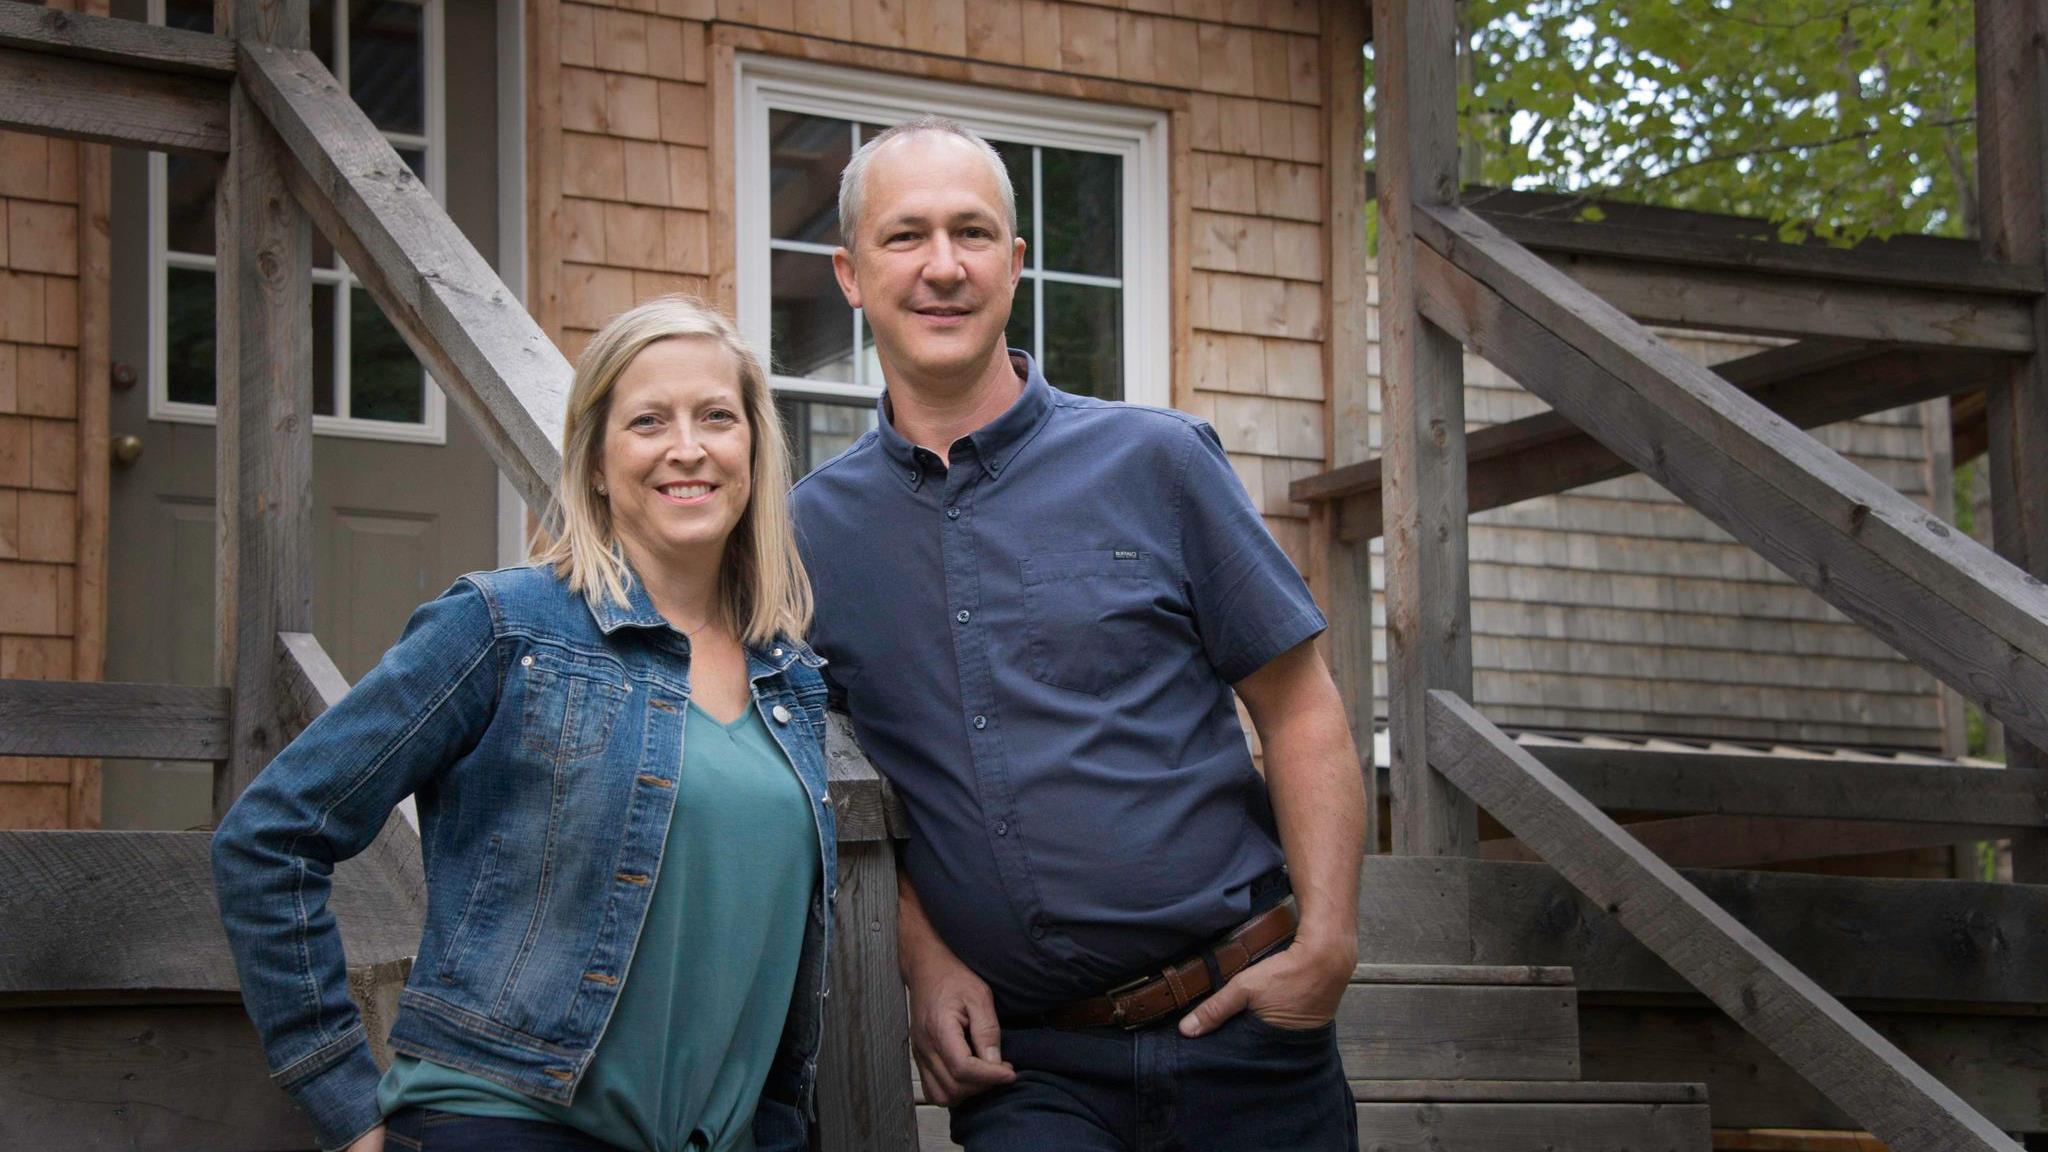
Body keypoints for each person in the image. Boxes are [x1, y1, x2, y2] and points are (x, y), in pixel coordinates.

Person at [791, 116, 1367, 1150]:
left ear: (1014, 264)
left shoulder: (1159, 463)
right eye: (904, 236)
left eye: (971, 234)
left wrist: (1325, 942)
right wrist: (919, 957)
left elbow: (1297, 703)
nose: (942, 267)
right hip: (1030, 1068)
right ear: (848, 272)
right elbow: (815, 781)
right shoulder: (807, 535)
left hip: (1247, 1036)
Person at [212, 296, 836, 1152]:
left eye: (717, 417)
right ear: (594, 462)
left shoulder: (791, 681)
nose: (687, 447)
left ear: (755, 451)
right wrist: (346, 1107)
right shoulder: (505, 630)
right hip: (511, 1125)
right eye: (649, 420)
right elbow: (269, 837)